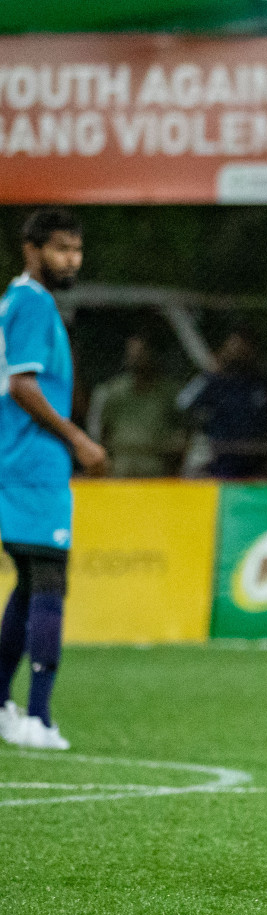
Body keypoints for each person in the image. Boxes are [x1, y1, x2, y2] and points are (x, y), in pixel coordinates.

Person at [0, 208, 109, 751]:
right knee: (49, 586)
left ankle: (1, 705)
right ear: (31, 248)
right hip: (33, 466)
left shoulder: (23, 302)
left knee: (28, 584)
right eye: (61, 248)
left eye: (77, 249)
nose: (72, 259)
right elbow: (21, 386)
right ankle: (38, 718)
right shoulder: (31, 304)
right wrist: (78, 439)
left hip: (23, 465)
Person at [177, 330, 267, 479]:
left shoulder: (259, 384)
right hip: (220, 461)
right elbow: (183, 402)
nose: (238, 353)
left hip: (255, 463)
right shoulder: (214, 382)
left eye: (243, 349)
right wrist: (208, 374)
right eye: (233, 349)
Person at [87, 335, 184, 477]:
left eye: (142, 352)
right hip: (120, 466)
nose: (136, 357)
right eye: (132, 352)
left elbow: (182, 434)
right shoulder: (113, 390)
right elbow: (101, 431)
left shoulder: (170, 393)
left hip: (156, 468)